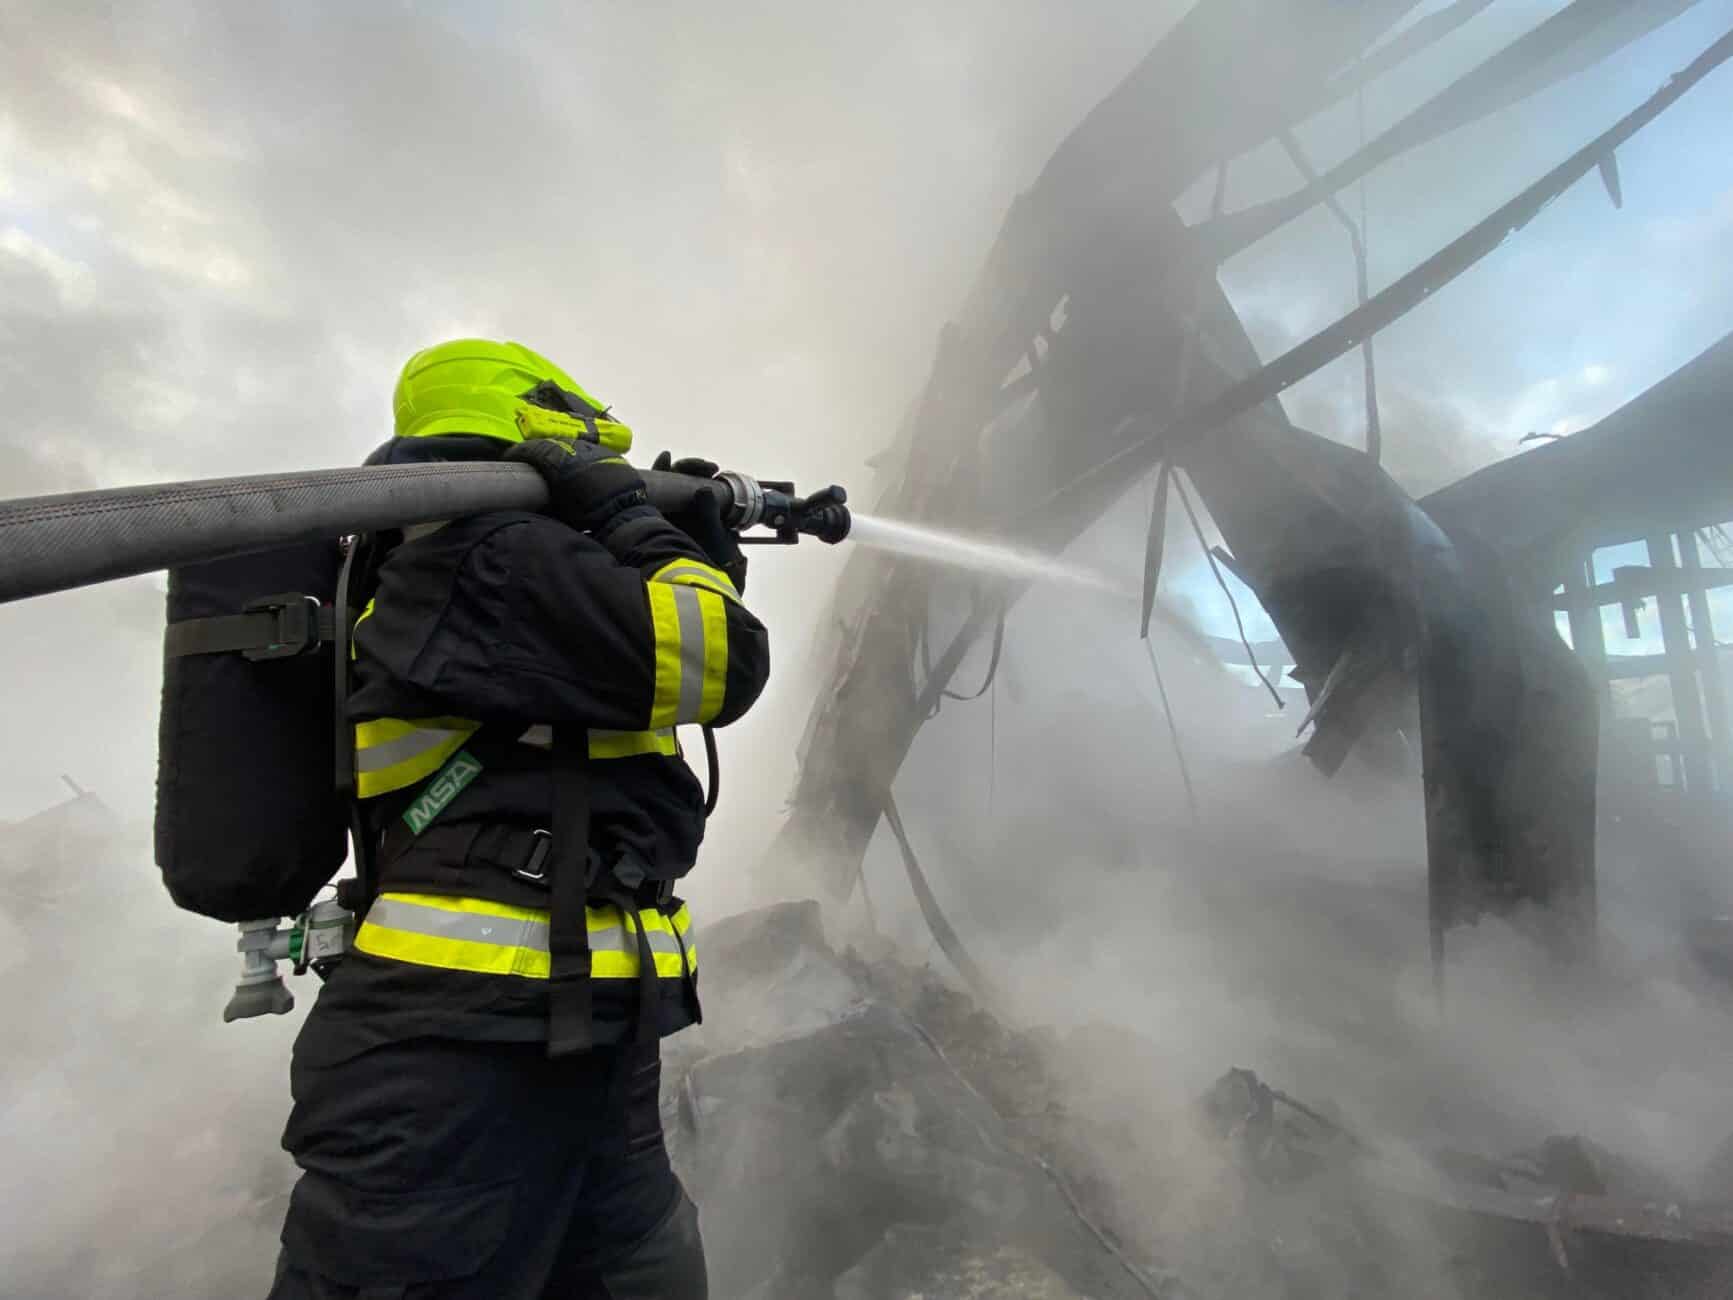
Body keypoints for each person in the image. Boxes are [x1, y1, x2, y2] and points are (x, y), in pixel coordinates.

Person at [268, 338, 768, 1299]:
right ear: (538, 417)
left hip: (571, 1032)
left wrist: (685, 540)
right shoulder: (482, 554)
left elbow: (649, 658)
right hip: (456, 1054)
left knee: (642, 1274)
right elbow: (721, 662)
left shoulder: (521, 565)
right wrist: (631, 518)